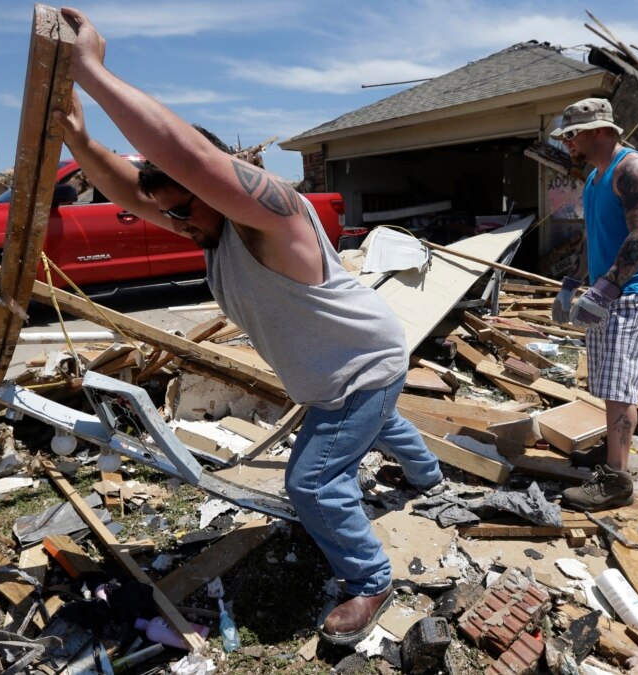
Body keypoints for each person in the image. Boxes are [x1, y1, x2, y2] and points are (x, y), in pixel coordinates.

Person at [53, 7, 443, 645]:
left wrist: (92, 70)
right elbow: (135, 187)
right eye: (168, 211)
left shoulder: (275, 215)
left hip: (362, 366)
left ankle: (369, 577)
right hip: (343, 371)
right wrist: (80, 140)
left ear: (210, 181)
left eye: (184, 206)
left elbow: (188, 157)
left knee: (313, 481)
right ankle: (428, 477)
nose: (178, 223)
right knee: (381, 421)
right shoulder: (209, 223)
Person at [549, 98, 638, 511]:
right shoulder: (596, 177)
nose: (567, 143)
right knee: (606, 383)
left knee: (620, 387)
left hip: (634, 293)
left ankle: (617, 481)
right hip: (611, 290)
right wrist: (570, 284)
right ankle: (613, 455)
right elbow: (593, 236)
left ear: (600, 130)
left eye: (571, 135)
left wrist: (606, 290)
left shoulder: (633, 169)